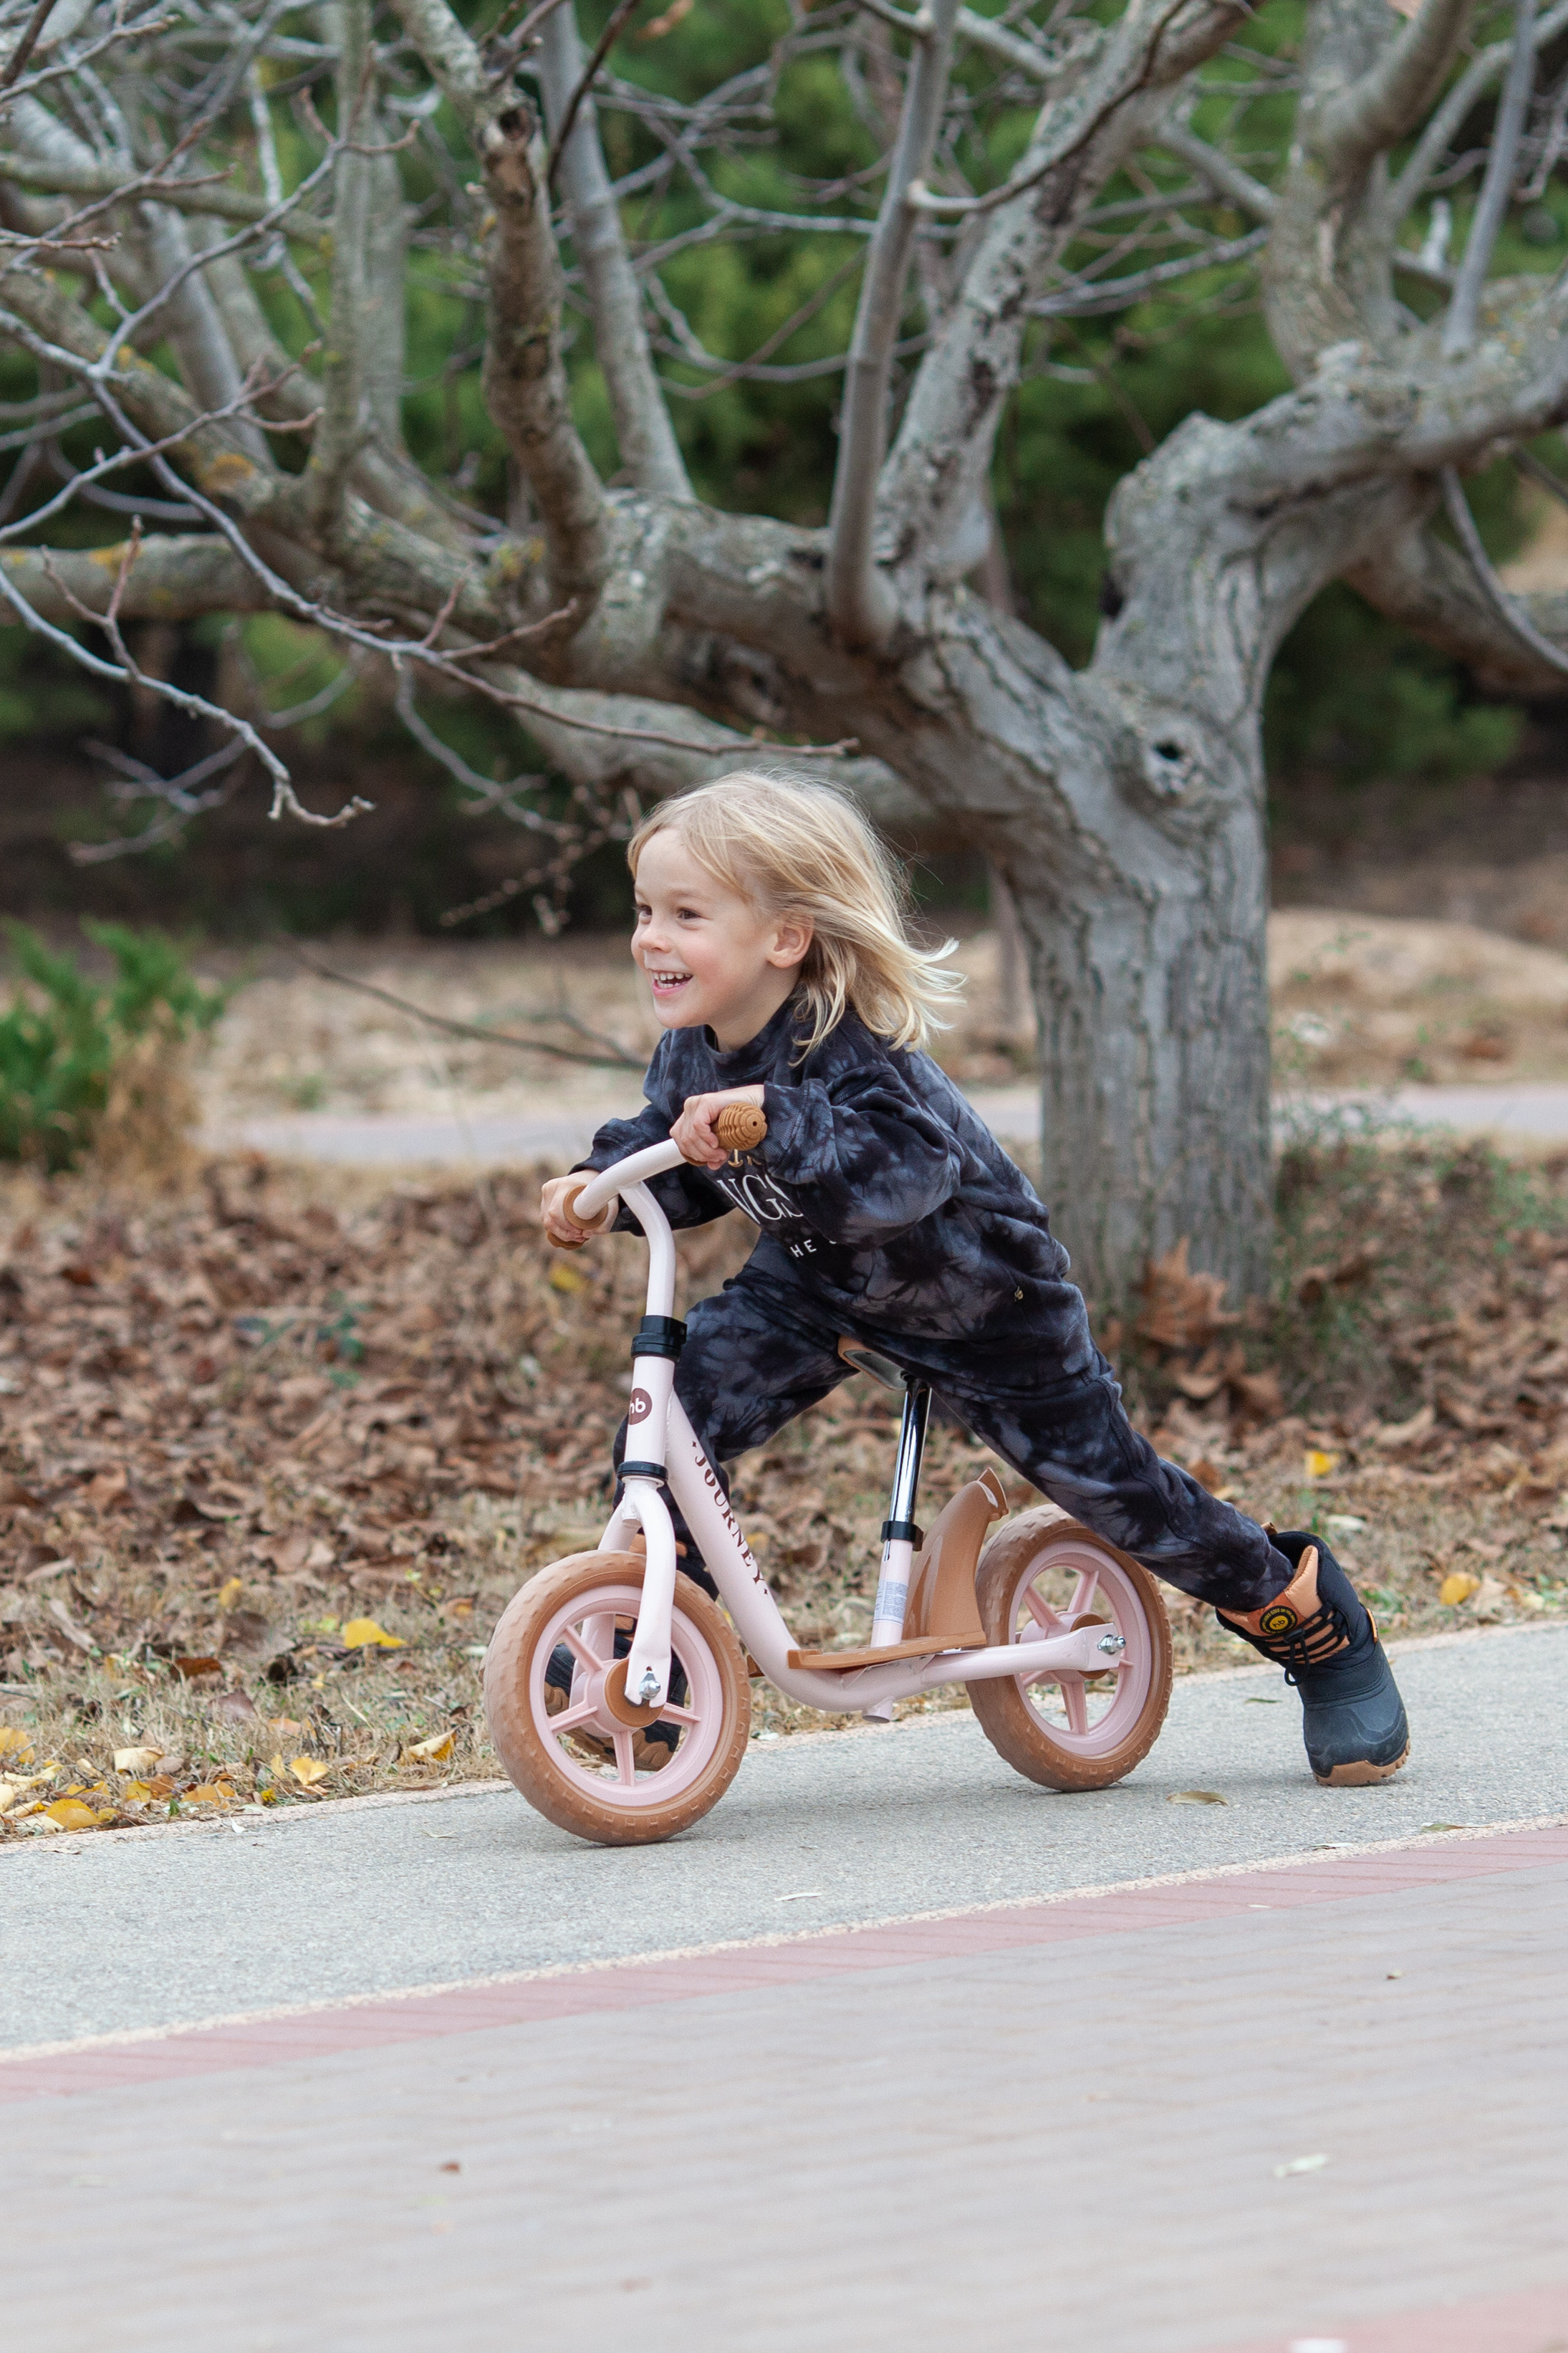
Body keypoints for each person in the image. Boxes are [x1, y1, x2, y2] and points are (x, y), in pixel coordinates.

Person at [540, 771, 1408, 1787]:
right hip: (817, 1291)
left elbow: (899, 1180)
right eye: (645, 910)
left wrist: (776, 1126)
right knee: (676, 1412)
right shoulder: (691, 1052)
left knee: (1122, 1497)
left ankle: (1307, 1621)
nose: (651, 936)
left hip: (987, 1307)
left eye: (686, 914)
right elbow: (681, 1163)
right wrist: (603, 1178)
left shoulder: (859, 1056)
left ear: (784, 937)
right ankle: (662, 1633)